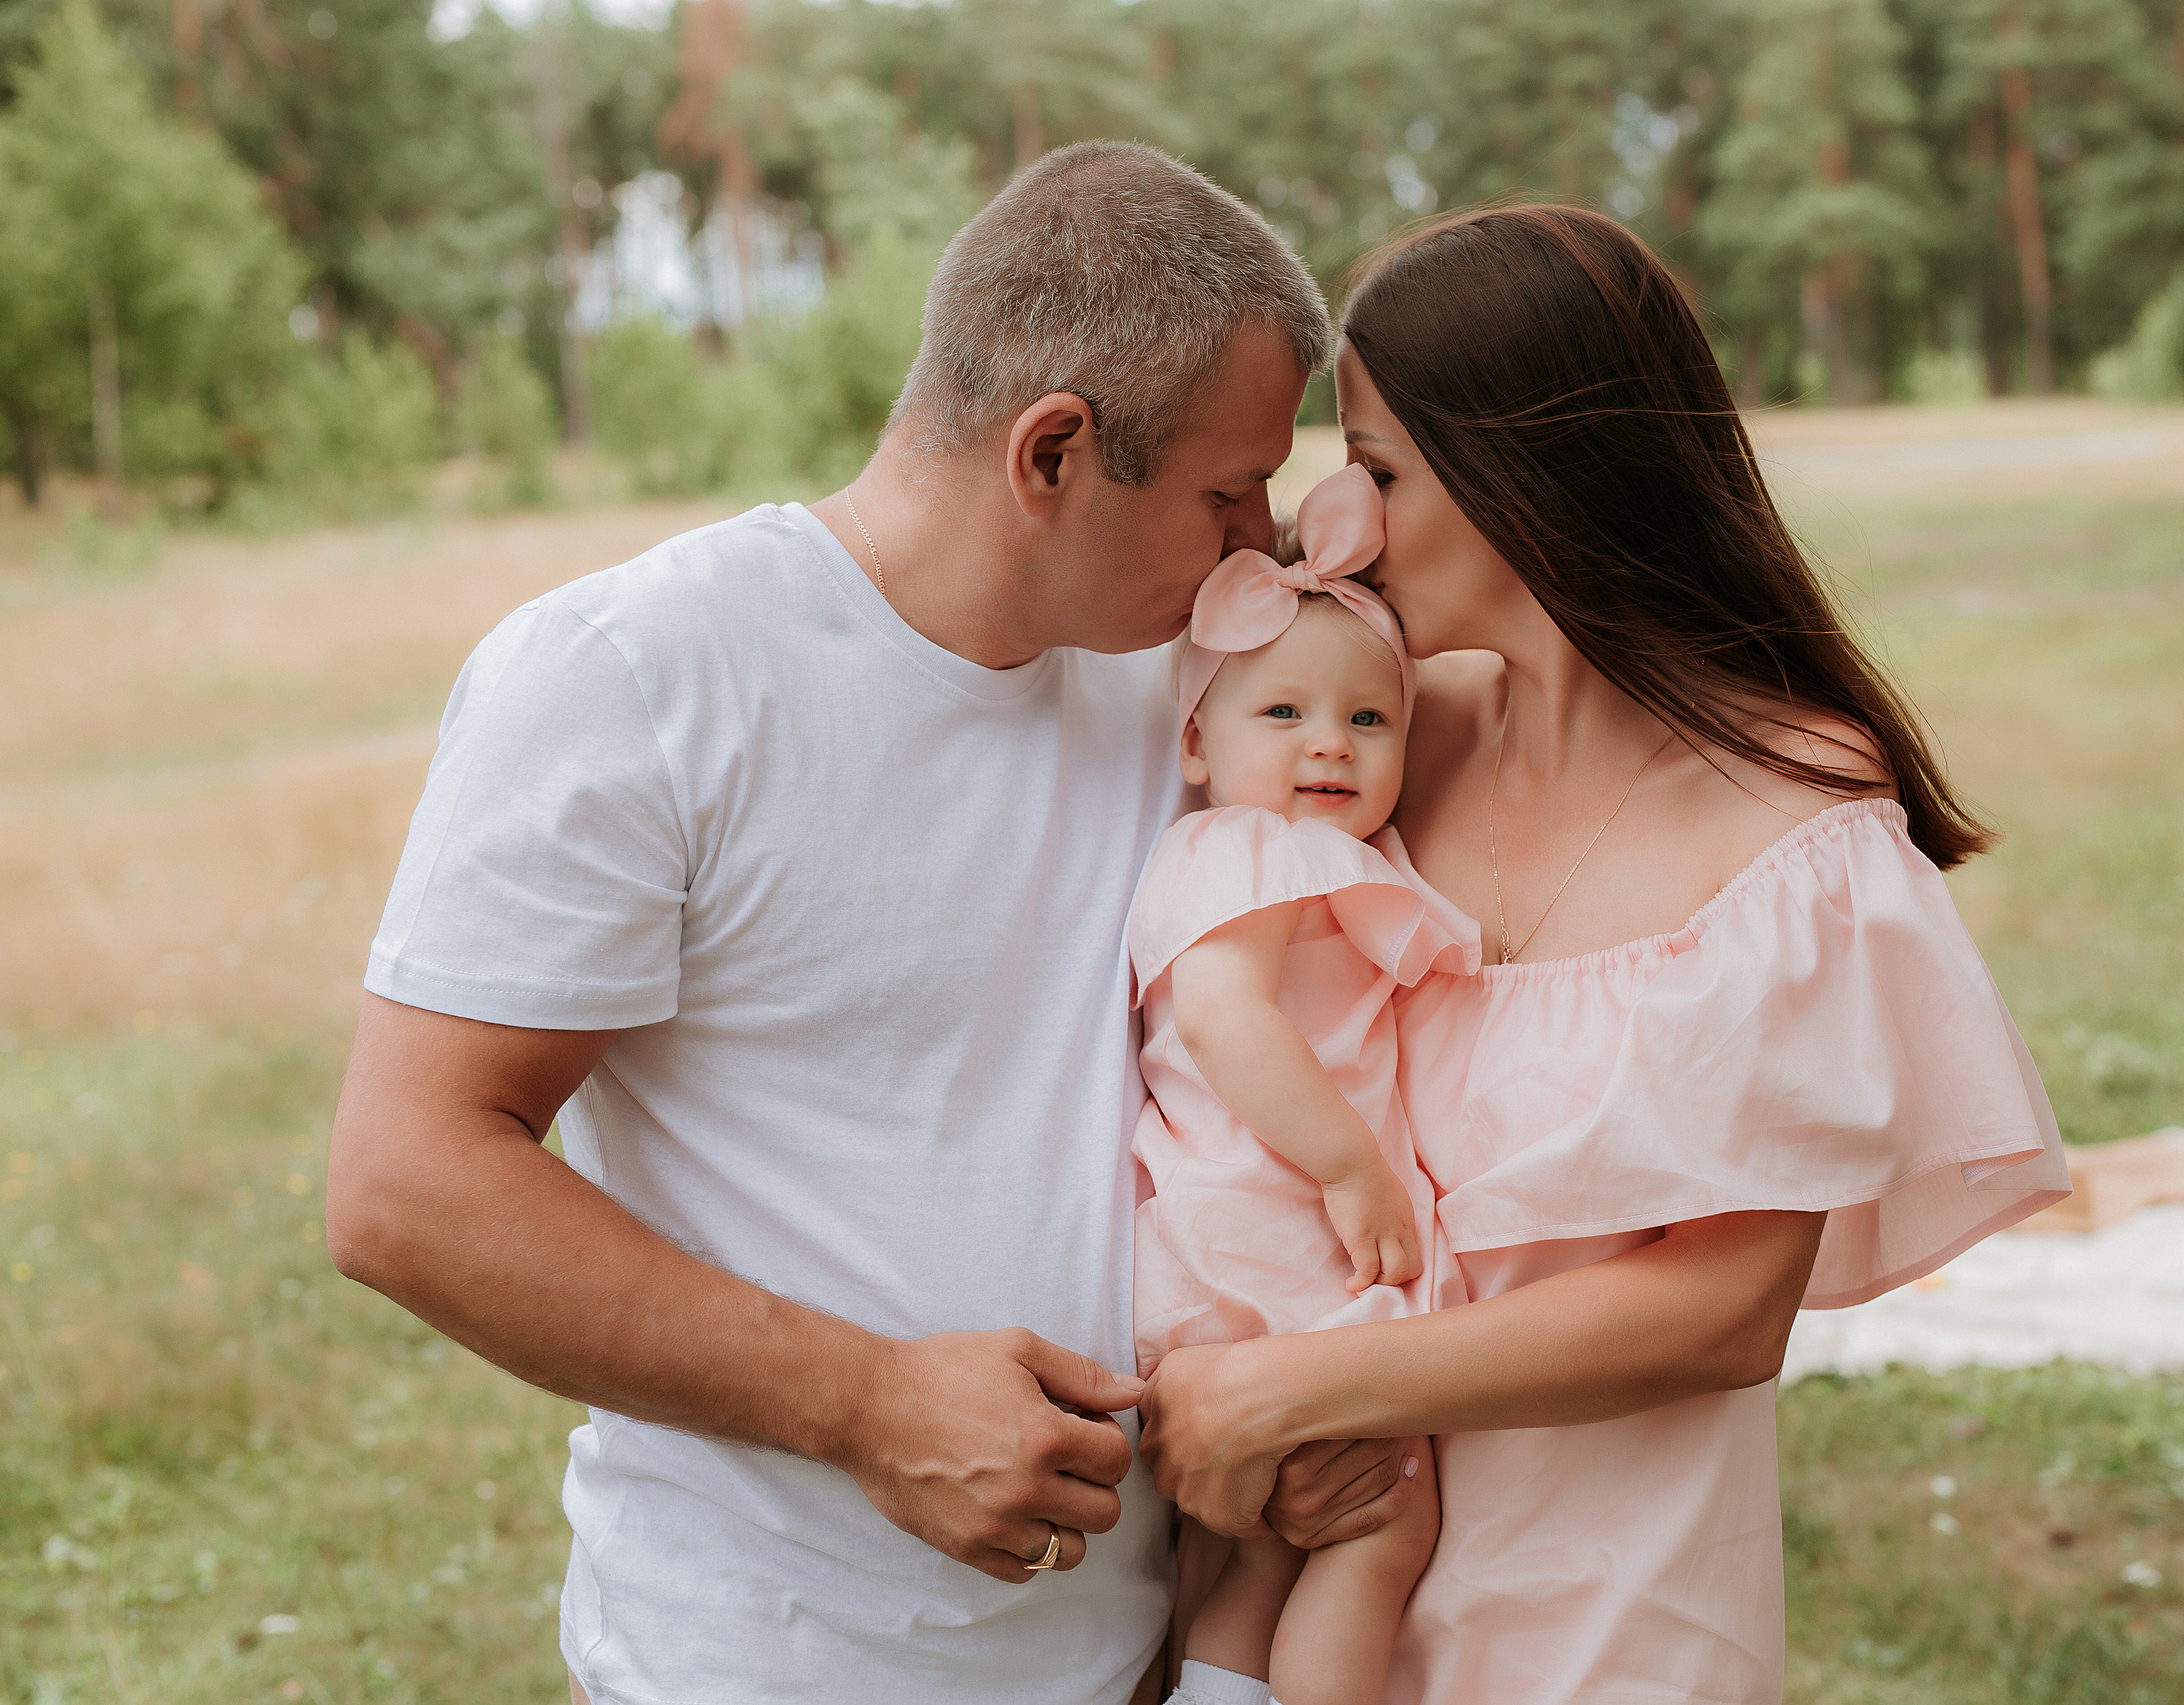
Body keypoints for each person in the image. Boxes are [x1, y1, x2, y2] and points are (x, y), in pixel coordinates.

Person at [323, 141, 1412, 1705]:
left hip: (1143, 1654)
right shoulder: (634, 678)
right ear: (1051, 453)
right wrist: (867, 1402)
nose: (1263, 551)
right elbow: (403, 1185)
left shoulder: (1186, 687)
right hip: (762, 1666)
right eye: (1230, 495)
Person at [1138, 205, 2072, 1704]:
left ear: (1526, 473)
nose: (1340, 521)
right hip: (1304, 1583)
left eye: (1376, 467)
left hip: (1602, 1621)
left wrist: (1285, 1391)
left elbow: (1720, 1307)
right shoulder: (1372, 748)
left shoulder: (1792, 816)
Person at [1127, 465, 1473, 1705]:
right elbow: (1225, 1017)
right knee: (1381, 1526)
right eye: (1281, 713)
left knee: (1266, 1551)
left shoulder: (1301, 856)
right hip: (1277, 1227)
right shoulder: (1244, 849)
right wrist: (1352, 1168)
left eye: (1367, 721)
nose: (1328, 740)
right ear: (1195, 744)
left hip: (1225, 1239)